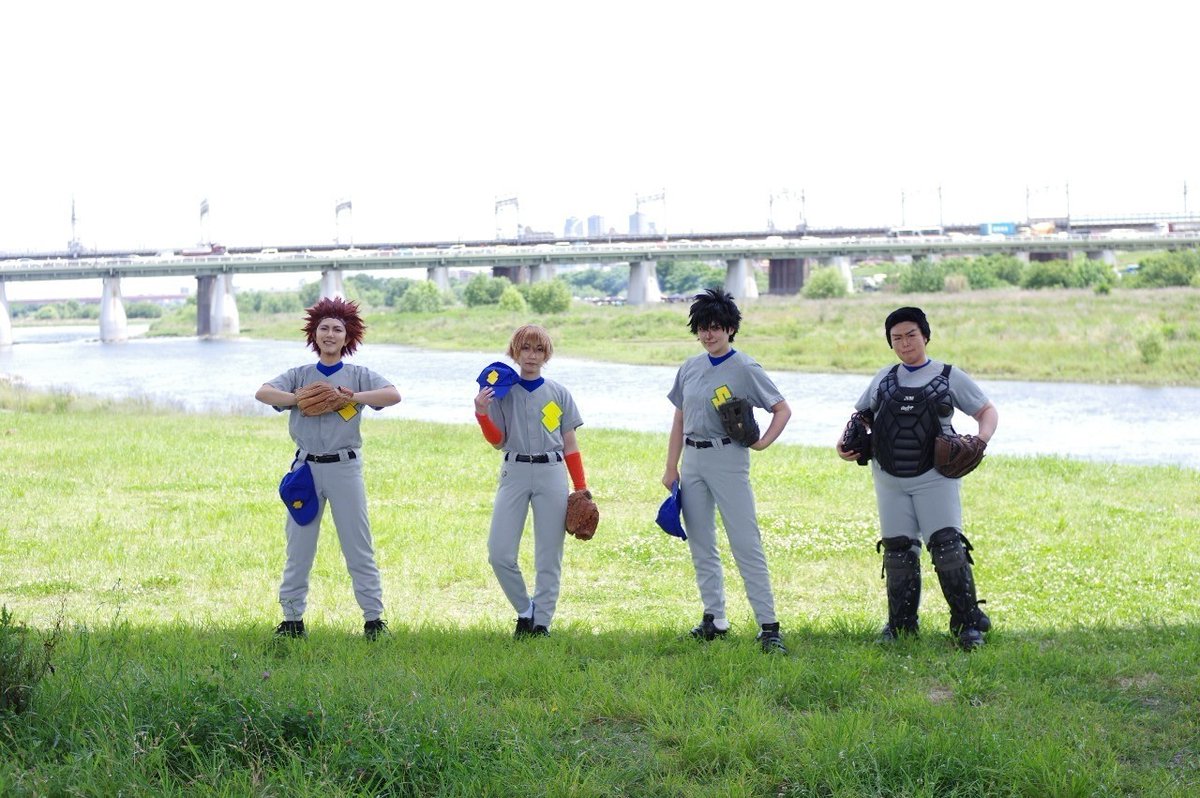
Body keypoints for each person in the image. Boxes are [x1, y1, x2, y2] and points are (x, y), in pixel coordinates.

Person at [837, 306, 998, 650]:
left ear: (925, 335)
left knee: (948, 548)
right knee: (898, 551)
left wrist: (980, 441)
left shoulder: (949, 375)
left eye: (911, 335)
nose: (905, 343)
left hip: (934, 477)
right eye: (896, 338)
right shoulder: (883, 377)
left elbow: (986, 410)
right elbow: (861, 416)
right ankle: (901, 625)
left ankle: (968, 624)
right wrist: (846, 441)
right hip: (889, 477)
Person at [254, 297, 401, 640]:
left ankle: (374, 621)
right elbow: (263, 393)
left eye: (337, 329)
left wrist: (351, 398)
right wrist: (299, 399)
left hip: (345, 468)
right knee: (299, 547)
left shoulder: (359, 375)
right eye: (324, 328)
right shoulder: (300, 375)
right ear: (314, 334)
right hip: (306, 469)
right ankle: (292, 621)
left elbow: (393, 395)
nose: (330, 334)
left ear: (348, 336)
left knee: (358, 545)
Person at [662, 289, 793, 654]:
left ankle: (769, 626)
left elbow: (781, 409)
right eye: (703, 328)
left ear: (731, 329)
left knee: (745, 542)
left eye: (716, 327)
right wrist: (671, 466)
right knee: (701, 542)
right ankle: (714, 619)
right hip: (692, 459)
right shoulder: (690, 367)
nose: (709, 335)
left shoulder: (745, 368)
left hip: (729, 459)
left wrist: (762, 443)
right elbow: (679, 418)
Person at [474, 324, 587, 638]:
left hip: (552, 472)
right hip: (515, 471)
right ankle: (525, 610)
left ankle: (542, 624)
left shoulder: (559, 393)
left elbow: (570, 444)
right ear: (515, 351)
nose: (532, 356)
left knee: (549, 554)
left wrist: (581, 488)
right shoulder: (502, 393)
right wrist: (482, 413)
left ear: (546, 354)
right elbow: (498, 440)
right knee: (499, 552)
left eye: (539, 349)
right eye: (525, 348)